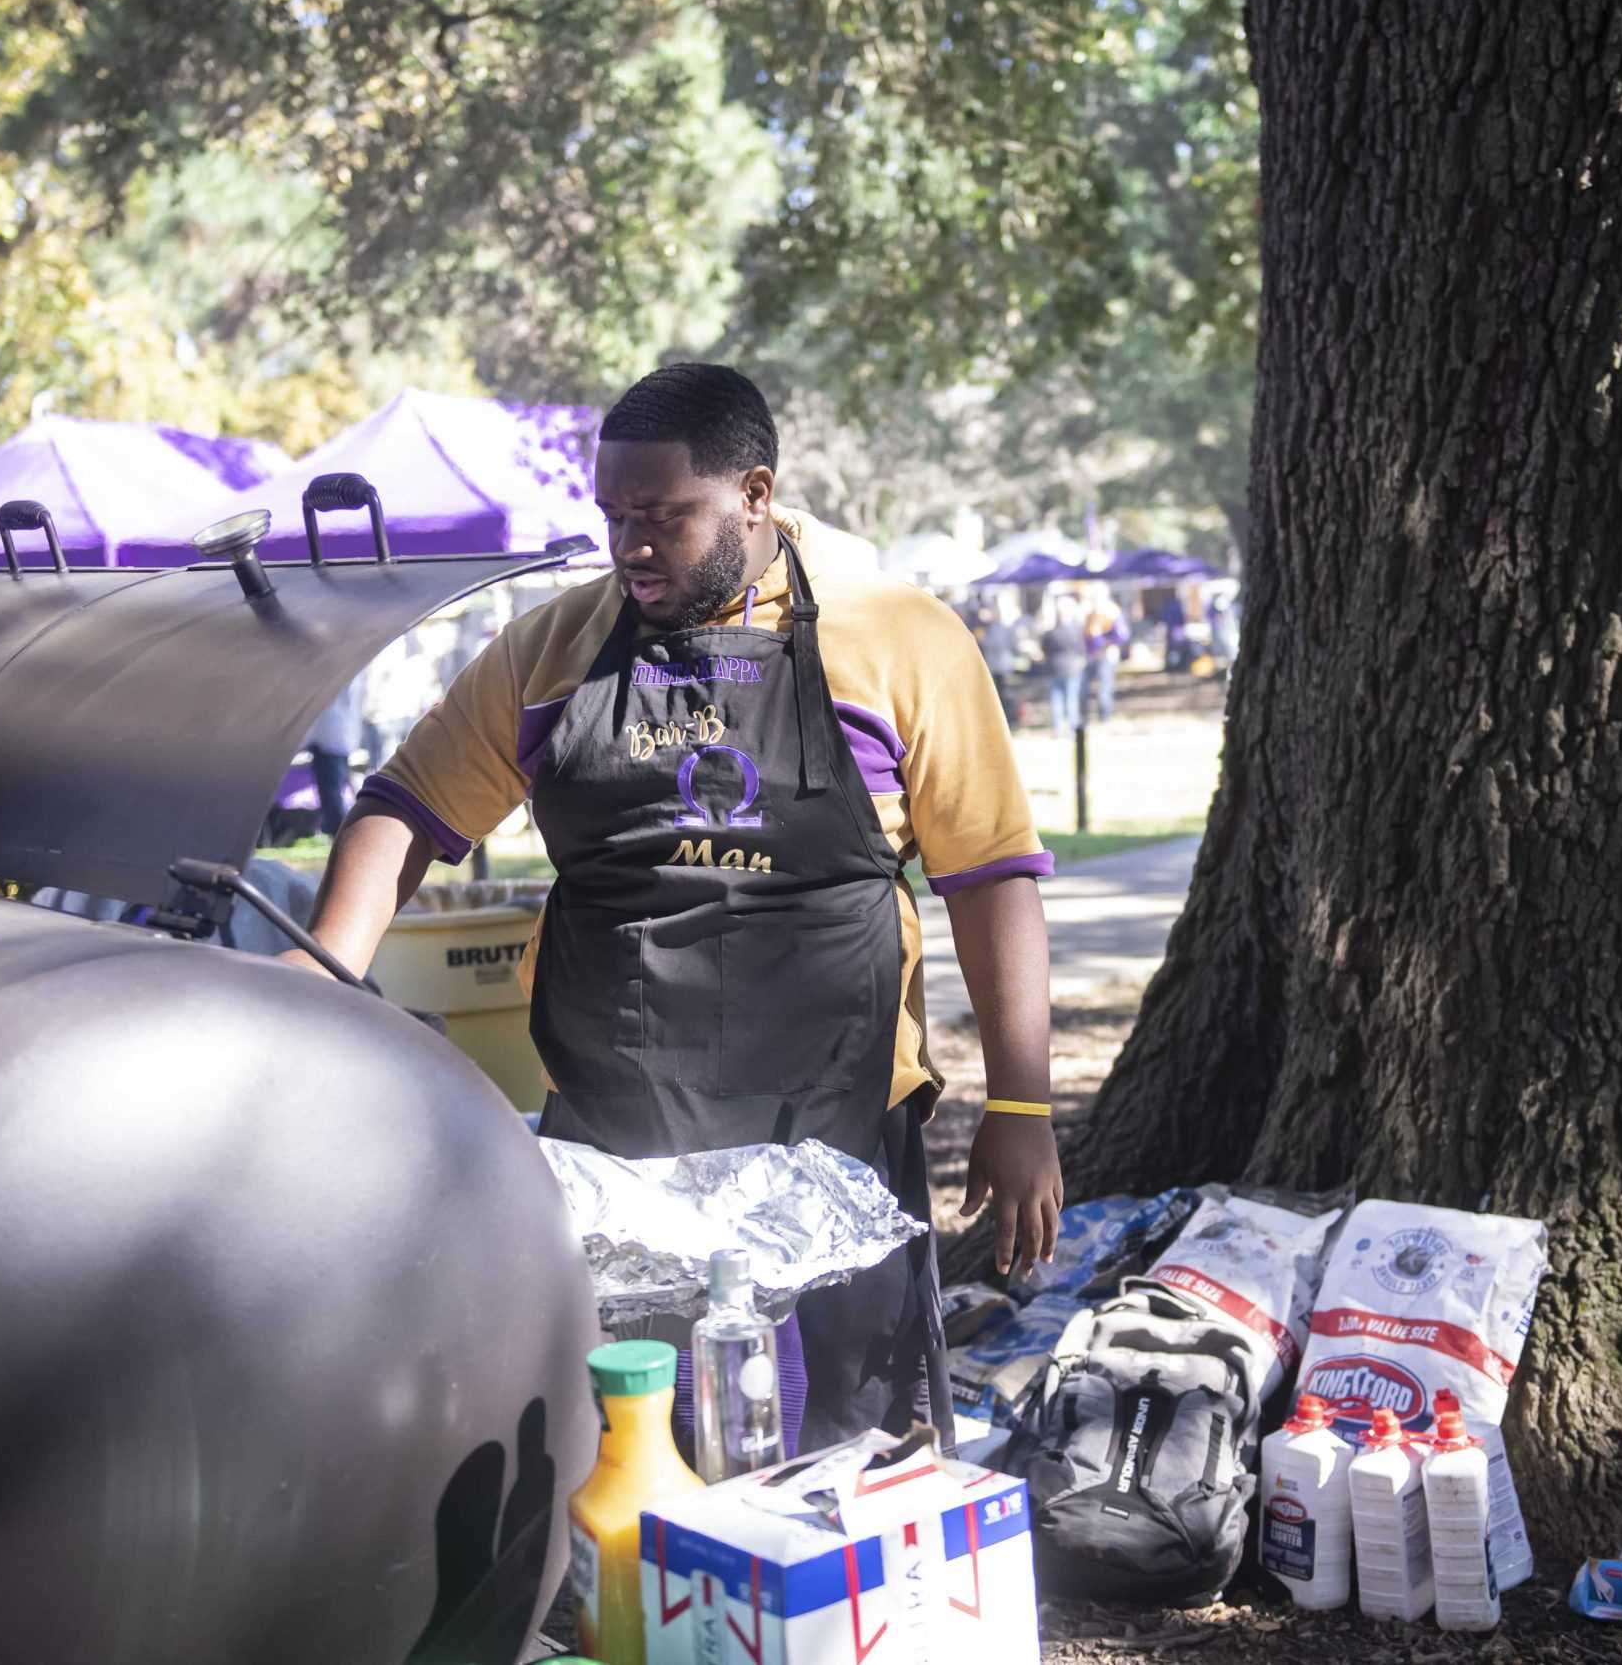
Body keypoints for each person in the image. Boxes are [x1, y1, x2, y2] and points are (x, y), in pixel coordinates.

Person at [283, 363, 1064, 1452]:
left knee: (848, 1447)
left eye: (664, 517)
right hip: (619, 1127)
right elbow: (405, 805)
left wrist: (1021, 1108)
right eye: (613, 517)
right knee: (640, 1447)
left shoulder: (896, 636)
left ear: (754, 493)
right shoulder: (553, 648)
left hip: (832, 1123)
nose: (632, 546)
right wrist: (326, 963)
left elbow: (990, 875)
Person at [303, 676, 365, 838]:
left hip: (332, 736)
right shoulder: (354, 673)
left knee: (331, 789)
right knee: (335, 787)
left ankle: (338, 830)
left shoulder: (348, 675)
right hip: (334, 735)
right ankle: (339, 829)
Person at [1039, 598, 1086, 733]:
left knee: (1057, 698)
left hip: (1055, 667)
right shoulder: (1076, 631)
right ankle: (1072, 727)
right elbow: (1081, 648)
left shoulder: (1051, 633)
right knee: (1071, 698)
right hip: (1072, 667)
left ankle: (1058, 727)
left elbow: (1044, 650)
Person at [1083, 594, 1129, 723]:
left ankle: (1104, 716)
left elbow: (1122, 635)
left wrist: (1103, 641)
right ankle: (1085, 715)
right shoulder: (1089, 614)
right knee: (1086, 687)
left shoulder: (1112, 613)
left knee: (1105, 687)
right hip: (1092, 655)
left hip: (1107, 655)